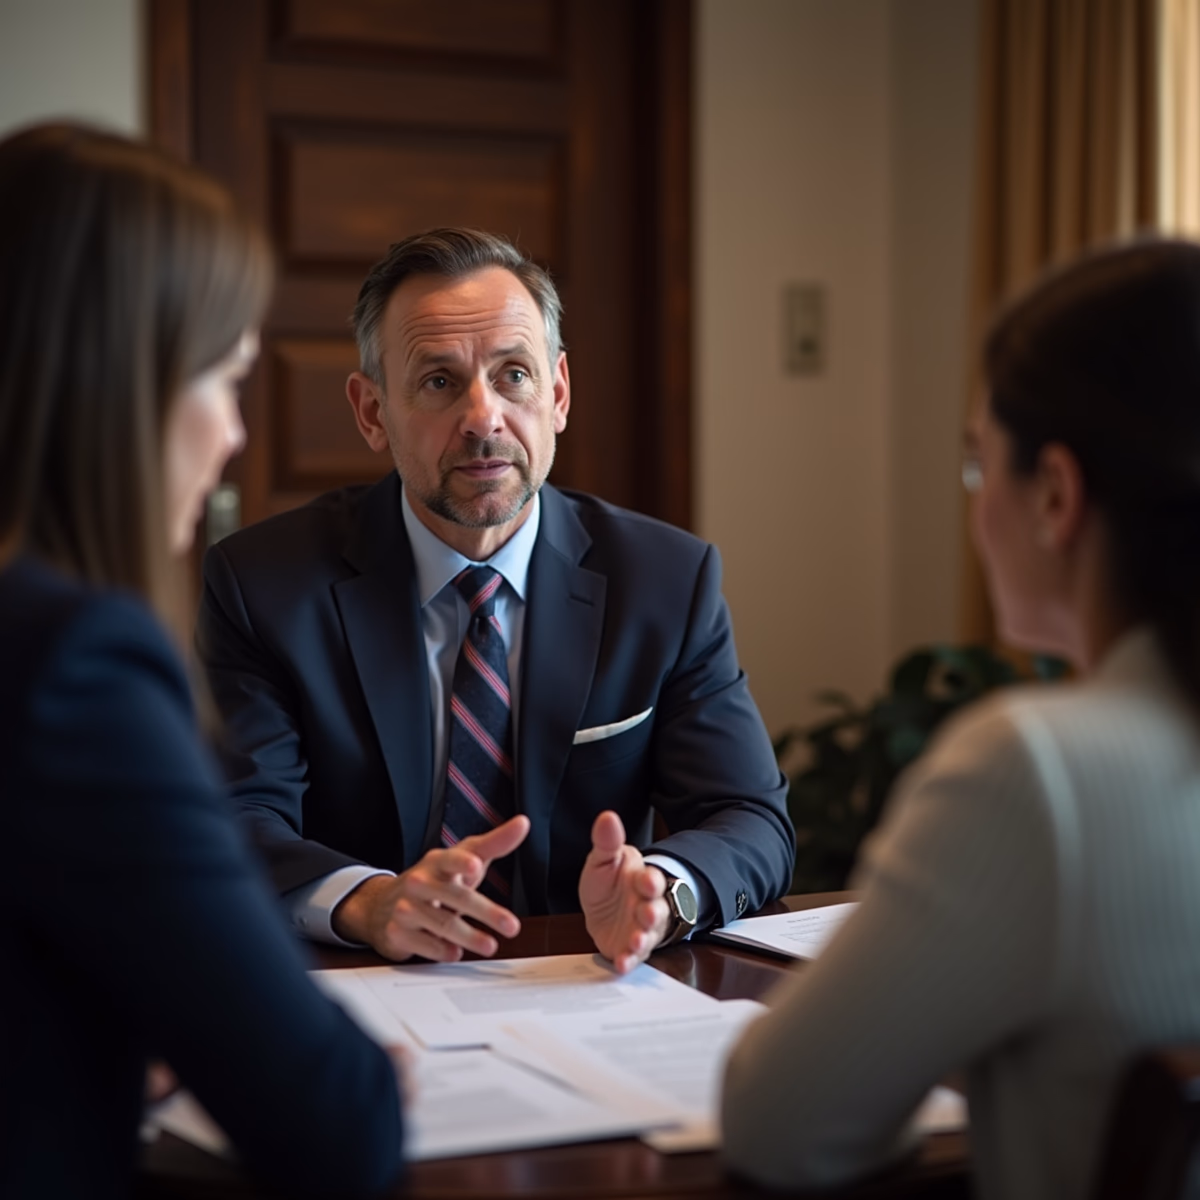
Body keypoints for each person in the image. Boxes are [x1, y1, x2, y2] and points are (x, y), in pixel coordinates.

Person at [721, 238, 1200, 1200]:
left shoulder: (1040, 774)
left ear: (1056, 494)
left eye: (979, 465)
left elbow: (780, 1129)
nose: (974, 509)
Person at [196, 227, 794, 972]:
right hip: (362, 985)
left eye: (514, 375)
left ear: (558, 393)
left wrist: (664, 892)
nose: (484, 419)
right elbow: (236, 819)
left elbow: (749, 816)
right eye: (439, 382)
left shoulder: (666, 580)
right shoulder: (263, 586)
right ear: (372, 412)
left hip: (582, 987)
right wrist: (367, 902)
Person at [0, 124, 404, 1199]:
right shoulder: (75, 665)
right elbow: (336, 1123)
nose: (234, 436)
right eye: (224, 380)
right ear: (116, 388)